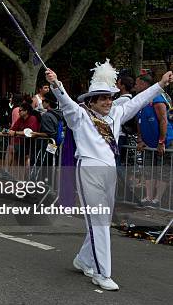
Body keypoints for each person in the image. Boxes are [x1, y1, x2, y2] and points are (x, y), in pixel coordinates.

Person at [46, 61, 173, 291]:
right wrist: (56, 84)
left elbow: (138, 101)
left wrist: (160, 84)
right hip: (88, 171)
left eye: (110, 97)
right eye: (103, 98)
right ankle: (103, 274)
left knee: (100, 222)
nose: (108, 102)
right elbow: (66, 103)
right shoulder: (80, 116)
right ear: (91, 100)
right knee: (100, 222)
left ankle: (84, 260)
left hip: (109, 172)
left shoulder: (116, 113)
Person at [134, 73, 173, 205]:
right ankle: (149, 197)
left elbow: (163, 120)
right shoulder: (141, 99)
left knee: (163, 170)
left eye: (137, 83)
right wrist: (140, 139)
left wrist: (161, 141)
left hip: (164, 142)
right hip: (148, 143)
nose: (135, 85)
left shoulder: (157, 98)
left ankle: (157, 199)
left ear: (144, 84)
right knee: (149, 169)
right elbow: (139, 121)